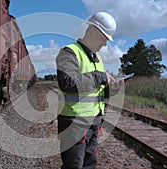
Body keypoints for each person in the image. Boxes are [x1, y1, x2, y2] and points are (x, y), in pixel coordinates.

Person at [56, 12, 122, 169]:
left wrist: (111, 89)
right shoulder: (69, 52)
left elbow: (94, 88)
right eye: (103, 39)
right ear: (92, 31)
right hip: (74, 122)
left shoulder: (97, 60)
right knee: (74, 165)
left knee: (89, 164)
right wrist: (100, 77)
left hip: (94, 122)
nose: (105, 44)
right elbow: (68, 82)